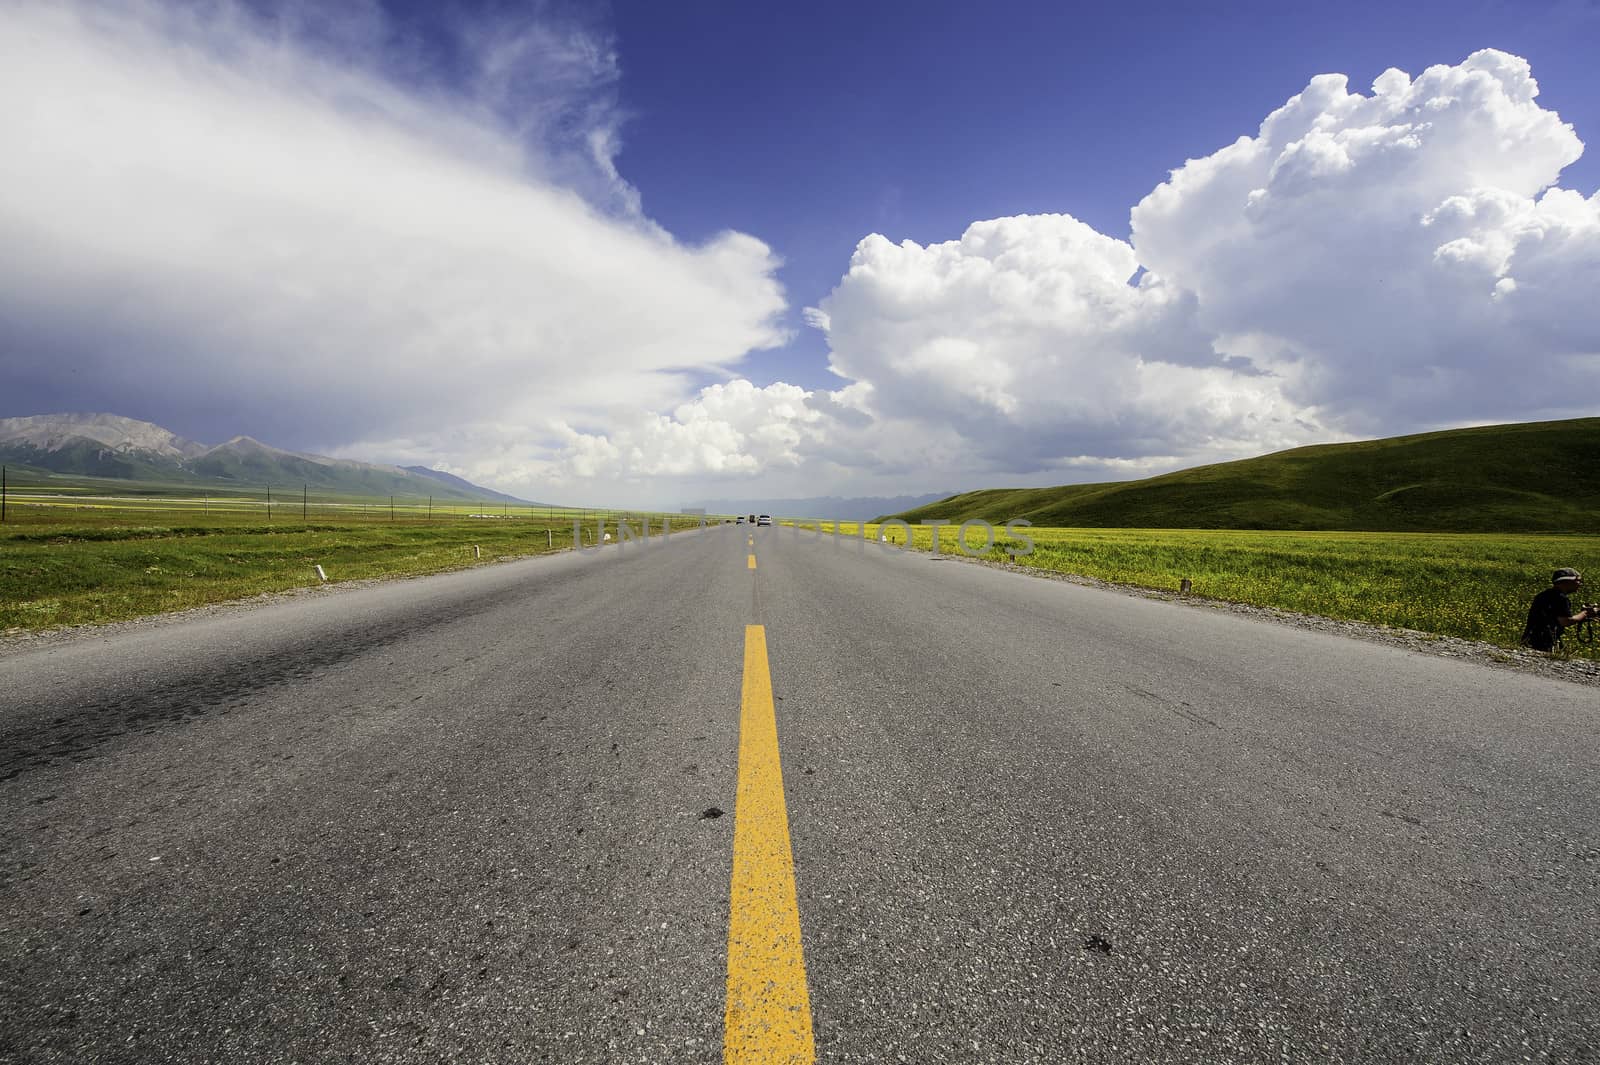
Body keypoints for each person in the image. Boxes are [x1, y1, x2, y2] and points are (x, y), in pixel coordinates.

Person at [1521, 568, 1596, 652]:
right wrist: (1585, 613)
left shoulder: (1544, 594)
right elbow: (1566, 621)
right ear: (1566, 582)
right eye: (1578, 581)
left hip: (1531, 639)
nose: (1580, 584)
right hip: (1545, 642)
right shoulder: (1561, 598)